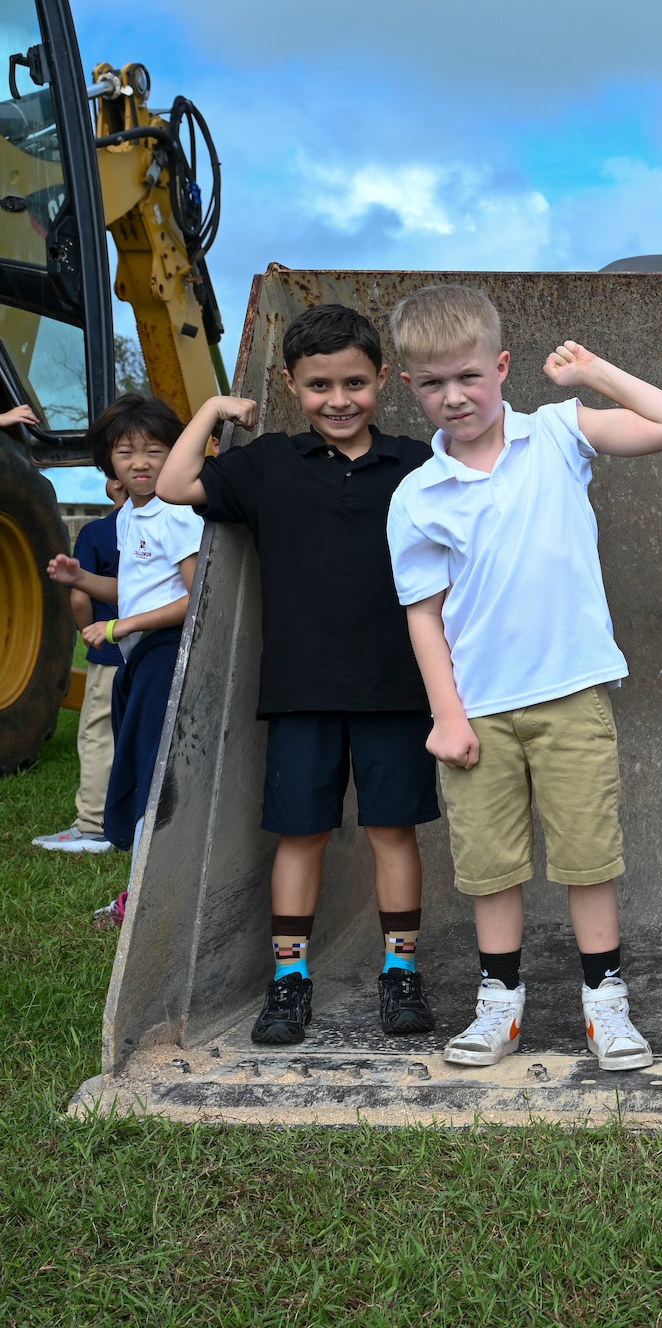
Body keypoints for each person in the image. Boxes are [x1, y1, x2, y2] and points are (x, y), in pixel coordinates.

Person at [385, 284, 662, 1072]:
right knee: (491, 867)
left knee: (589, 859)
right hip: (480, 712)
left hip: (569, 694)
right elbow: (424, 616)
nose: (452, 397)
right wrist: (446, 716)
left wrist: (595, 371)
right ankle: (500, 1007)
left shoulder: (559, 433)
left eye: (467, 376)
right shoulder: (417, 496)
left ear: (502, 366)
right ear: (408, 387)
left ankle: (607, 1008)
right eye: (431, 383)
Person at [156, 304, 440, 1045]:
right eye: (318, 386)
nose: (338, 400)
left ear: (383, 378)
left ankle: (400, 972)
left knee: (392, 832)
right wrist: (216, 407)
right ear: (290, 384)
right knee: (301, 835)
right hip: (299, 689)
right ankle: (290, 981)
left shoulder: (417, 462)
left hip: (397, 690)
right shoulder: (264, 465)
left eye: (354, 382)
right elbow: (172, 483)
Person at [45, 394, 203, 927]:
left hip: (164, 655)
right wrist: (81, 579)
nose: (140, 463)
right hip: (139, 658)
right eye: (126, 452)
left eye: (155, 450)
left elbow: (196, 599)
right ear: (108, 461)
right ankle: (144, 891)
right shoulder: (132, 515)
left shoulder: (176, 514)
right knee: (137, 770)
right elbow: (135, 587)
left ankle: (143, 899)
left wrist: (123, 625)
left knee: (149, 776)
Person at [34, 471, 123, 855]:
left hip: (110, 650)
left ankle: (93, 825)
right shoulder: (179, 524)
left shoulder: (97, 533)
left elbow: (79, 598)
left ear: (115, 484)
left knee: (98, 733)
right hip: (156, 650)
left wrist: (89, 634)